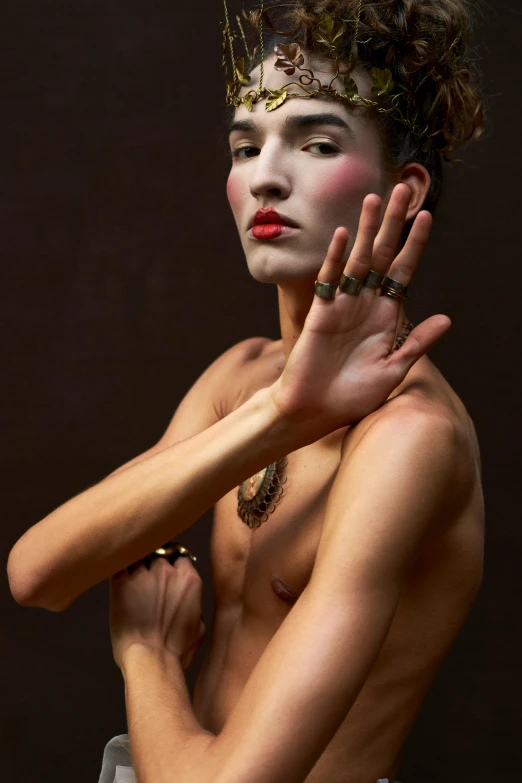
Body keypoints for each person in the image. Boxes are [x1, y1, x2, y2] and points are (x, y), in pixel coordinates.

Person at [7, 1, 486, 781]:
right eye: (243, 146)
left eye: (317, 142)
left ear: (403, 188)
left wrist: (148, 655)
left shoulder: (408, 438)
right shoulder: (242, 378)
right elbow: (39, 572)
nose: (264, 175)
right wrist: (283, 413)